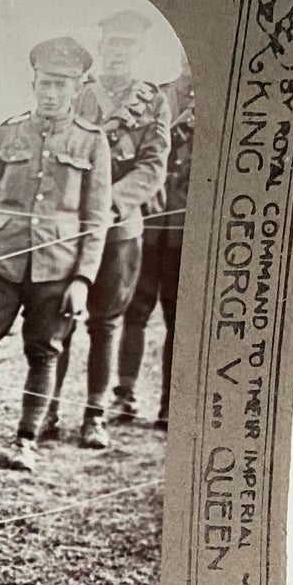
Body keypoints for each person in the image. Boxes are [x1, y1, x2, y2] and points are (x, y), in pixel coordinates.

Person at [0, 37, 112, 474]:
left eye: (62, 85)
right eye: (46, 83)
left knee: (44, 354)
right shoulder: (7, 132)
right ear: (34, 81)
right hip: (0, 268)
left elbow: (96, 218)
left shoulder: (92, 142)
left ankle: (25, 441)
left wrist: (83, 280)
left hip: (57, 271)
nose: (52, 92)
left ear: (78, 87)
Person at [47, 8, 171, 448]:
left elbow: (153, 167)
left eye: (128, 45)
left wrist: (110, 202)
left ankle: (95, 415)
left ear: (139, 51)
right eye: (112, 44)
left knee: (106, 323)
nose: (119, 53)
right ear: (100, 49)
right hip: (73, 226)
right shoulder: (80, 94)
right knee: (60, 317)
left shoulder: (154, 101)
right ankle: (47, 407)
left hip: (120, 230)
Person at [115, 57, 192, 429]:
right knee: (135, 310)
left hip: (187, 228)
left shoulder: (225, 105)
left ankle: (168, 406)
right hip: (148, 223)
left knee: (179, 317)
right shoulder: (154, 98)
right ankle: (124, 398)